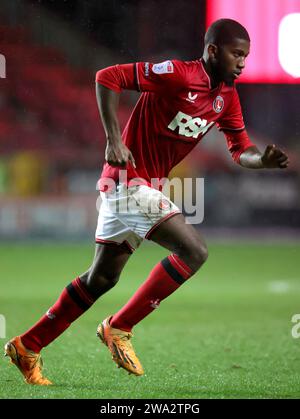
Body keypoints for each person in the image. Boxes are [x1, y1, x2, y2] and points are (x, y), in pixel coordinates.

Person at [4, 18, 289, 385]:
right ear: (213, 50)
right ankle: (119, 327)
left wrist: (260, 161)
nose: (242, 63)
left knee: (101, 279)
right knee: (194, 251)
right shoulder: (178, 74)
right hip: (128, 181)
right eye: (236, 54)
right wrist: (113, 138)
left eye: (246, 56)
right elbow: (107, 76)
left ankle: (28, 346)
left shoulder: (226, 98)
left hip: (137, 187)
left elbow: (240, 149)